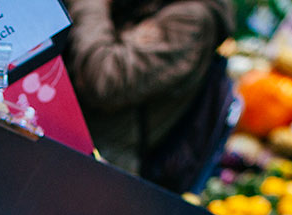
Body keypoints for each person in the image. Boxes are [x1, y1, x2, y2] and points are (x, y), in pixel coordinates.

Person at [64, 0, 235, 189]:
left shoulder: (190, 20)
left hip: (96, 163)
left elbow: (104, 81)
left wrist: (90, 5)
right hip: (73, 138)